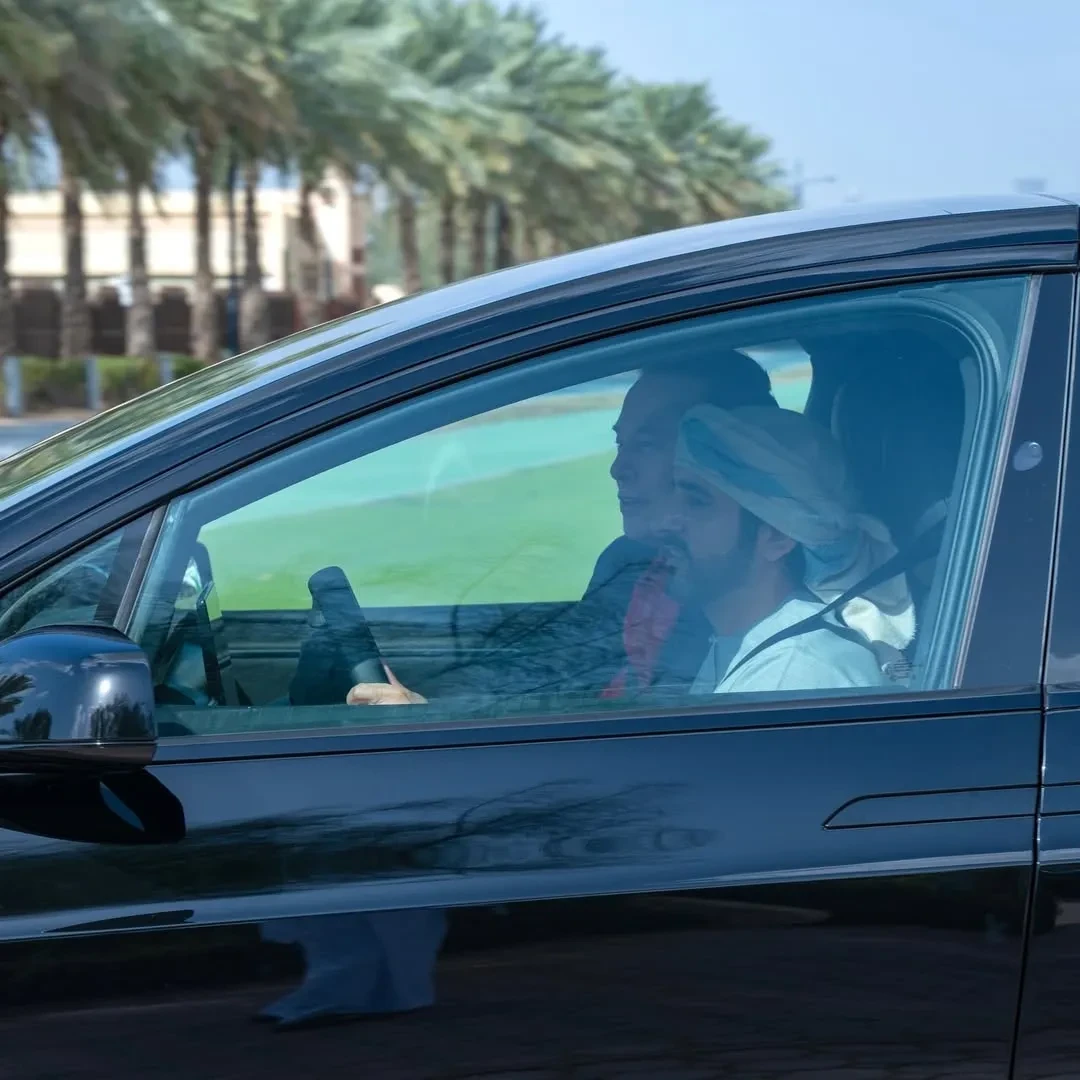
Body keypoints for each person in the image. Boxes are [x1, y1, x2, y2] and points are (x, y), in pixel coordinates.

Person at [344, 354, 779, 707]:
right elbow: (551, 674)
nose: (618, 468)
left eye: (648, 444)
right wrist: (427, 710)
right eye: (621, 442)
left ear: (722, 455)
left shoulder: (730, 595)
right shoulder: (630, 563)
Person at [666, 404, 915, 695]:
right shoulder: (745, 644)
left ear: (777, 537)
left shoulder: (795, 675)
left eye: (696, 502)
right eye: (673, 493)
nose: (667, 521)